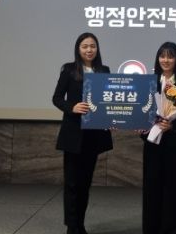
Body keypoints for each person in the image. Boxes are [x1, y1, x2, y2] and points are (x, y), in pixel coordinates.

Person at [53, 32, 113, 234]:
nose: (89, 50)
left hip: (94, 135)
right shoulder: (69, 70)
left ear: (97, 49)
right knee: (72, 183)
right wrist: (72, 107)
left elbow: (108, 100)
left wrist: (111, 118)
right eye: (85, 46)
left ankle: (80, 223)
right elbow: (57, 98)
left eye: (93, 46)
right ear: (78, 49)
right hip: (73, 134)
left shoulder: (104, 70)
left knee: (85, 183)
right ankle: (72, 226)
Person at [142, 41, 176, 234]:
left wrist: (172, 125)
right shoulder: (150, 81)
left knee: (174, 189)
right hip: (153, 143)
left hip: (175, 143)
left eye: (170, 56)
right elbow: (142, 109)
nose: (166, 60)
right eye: (162, 56)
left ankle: (171, 230)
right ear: (158, 58)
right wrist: (145, 126)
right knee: (152, 188)